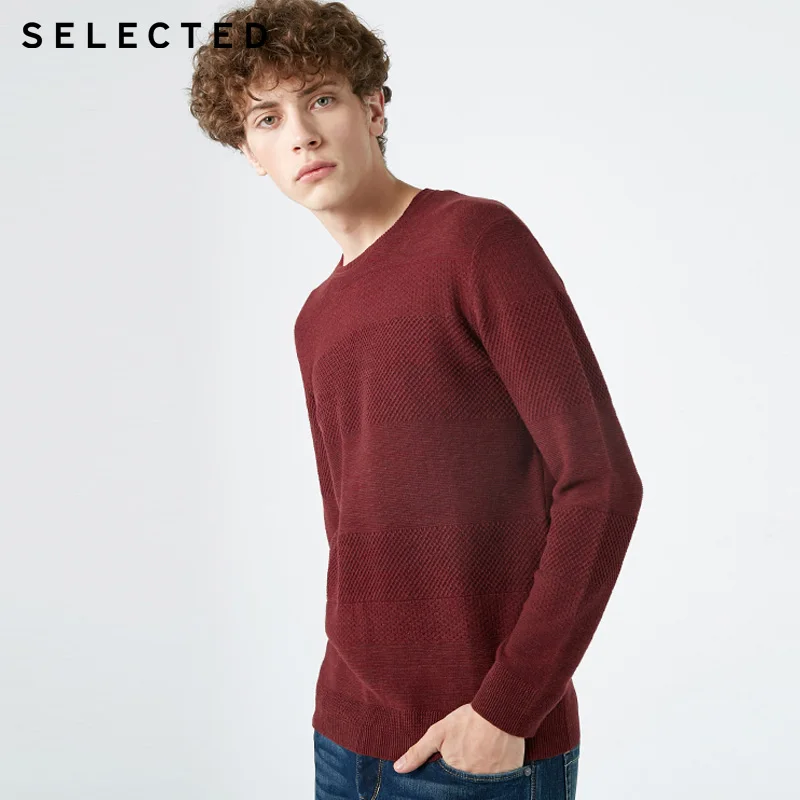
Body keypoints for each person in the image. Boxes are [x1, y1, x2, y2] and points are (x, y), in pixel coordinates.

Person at [188, 1, 643, 797]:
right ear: (251, 153)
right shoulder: (314, 318)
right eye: (268, 118)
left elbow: (601, 484)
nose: (301, 134)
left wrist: (506, 710)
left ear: (373, 107)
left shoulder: (475, 241)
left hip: (476, 742)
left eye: (321, 99)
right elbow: (352, 530)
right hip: (344, 733)